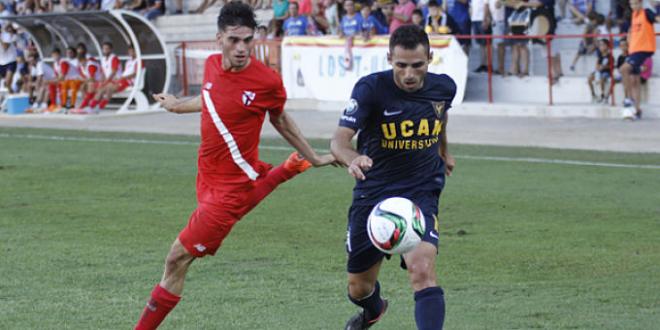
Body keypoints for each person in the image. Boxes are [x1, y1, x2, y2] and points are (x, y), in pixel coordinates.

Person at [133, 3, 336, 329]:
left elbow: (281, 119)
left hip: (229, 191)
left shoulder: (266, 81)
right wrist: (176, 106)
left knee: (176, 260)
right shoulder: (213, 66)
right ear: (219, 39)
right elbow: (212, 99)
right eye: (234, 40)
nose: (241, 48)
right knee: (196, 242)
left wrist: (314, 156)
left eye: (247, 40)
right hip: (207, 179)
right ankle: (286, 170)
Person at [331, 24, 456, 330]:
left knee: (422, 269)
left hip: (420, 191)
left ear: (430, 58)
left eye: (417, 65)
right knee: (358, 287)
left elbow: (440, 117)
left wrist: (443, 151)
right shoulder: (370, 89)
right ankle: (373, 310)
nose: (409, 74)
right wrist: (353, 158)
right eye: (401, 65)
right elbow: (338, 141)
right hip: (373, 196)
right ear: (389, 58)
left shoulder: (444, 87)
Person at [620, 0, 659, 119]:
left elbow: (656, 19)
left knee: (624, 69)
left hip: (644, 49)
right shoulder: (633, 16)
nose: (634, 6)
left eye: (636, 3)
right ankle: (637, 111)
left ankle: (628, 100)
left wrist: (657, 6)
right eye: (632, 4)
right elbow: (631, 34)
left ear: (641, 3)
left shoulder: (646, 13)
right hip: (634, 51)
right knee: (634, 80)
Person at [588, 39, 613, 103]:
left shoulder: (610, 56)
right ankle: (593, 95)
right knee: (589, 78)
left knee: (602, 78)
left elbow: (611, 66)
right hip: (599, 72)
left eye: (603, 45)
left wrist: (604, 67)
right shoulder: (599, 56)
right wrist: (598, 68)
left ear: (607, 46)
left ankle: (603, 95)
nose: (601, 47)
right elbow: (597, 66)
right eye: (600, 45)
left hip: (606, 72)